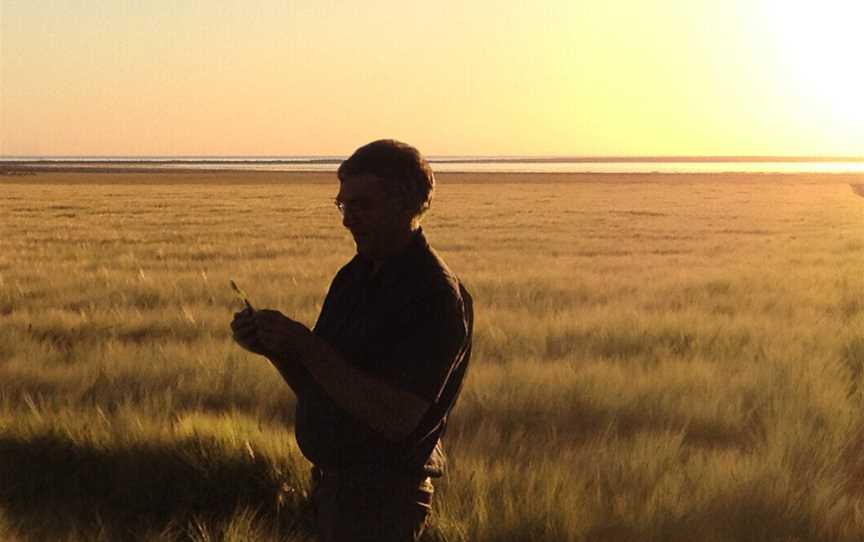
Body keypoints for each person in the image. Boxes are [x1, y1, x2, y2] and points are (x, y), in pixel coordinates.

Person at [230, 139, 473, 542]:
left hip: (382, 502)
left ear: (404, 204)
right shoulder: (354, 276)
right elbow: (322, 387)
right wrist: (277, 349)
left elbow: (398, 418)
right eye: (343, 205)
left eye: (362, 205)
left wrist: (304, 345)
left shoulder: (433, 294)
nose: (347, 220)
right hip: (333, 490)